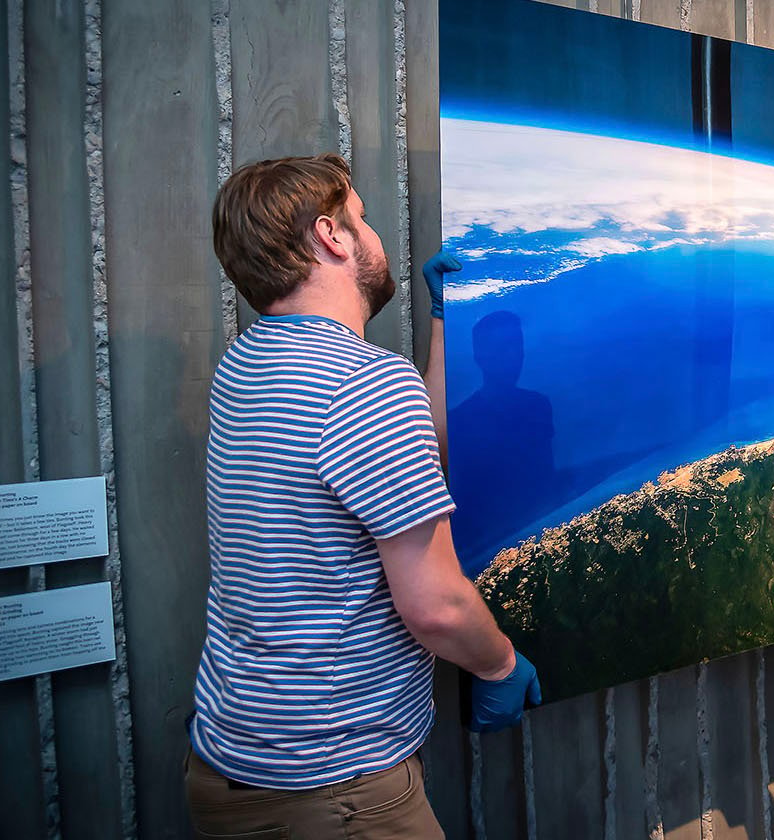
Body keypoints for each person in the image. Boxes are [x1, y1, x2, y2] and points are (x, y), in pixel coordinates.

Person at [186, 154, 539, 839]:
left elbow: (409, 461)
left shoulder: (246, 364)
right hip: (337, 791)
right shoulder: (365, 385)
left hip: (235, 764)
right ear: (332, 237)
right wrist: (499, 662)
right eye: (364, 218)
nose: (374, 236)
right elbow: (435, 606)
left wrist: (443, 322)